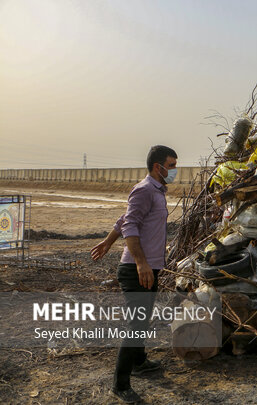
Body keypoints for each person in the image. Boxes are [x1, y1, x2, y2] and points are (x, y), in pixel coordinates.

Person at [90, 145, 178, 404]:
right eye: (171, 165)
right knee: (136, 323)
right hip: (136, 269)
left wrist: (107, 242)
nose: (174, 170)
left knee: (143, 317)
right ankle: (120, 384)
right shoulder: (144, 190)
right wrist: (141, 263)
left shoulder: (157, 191)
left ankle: (139, 361)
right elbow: (130, 224)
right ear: (157, 167)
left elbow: (123, 218)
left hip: (149, 267)